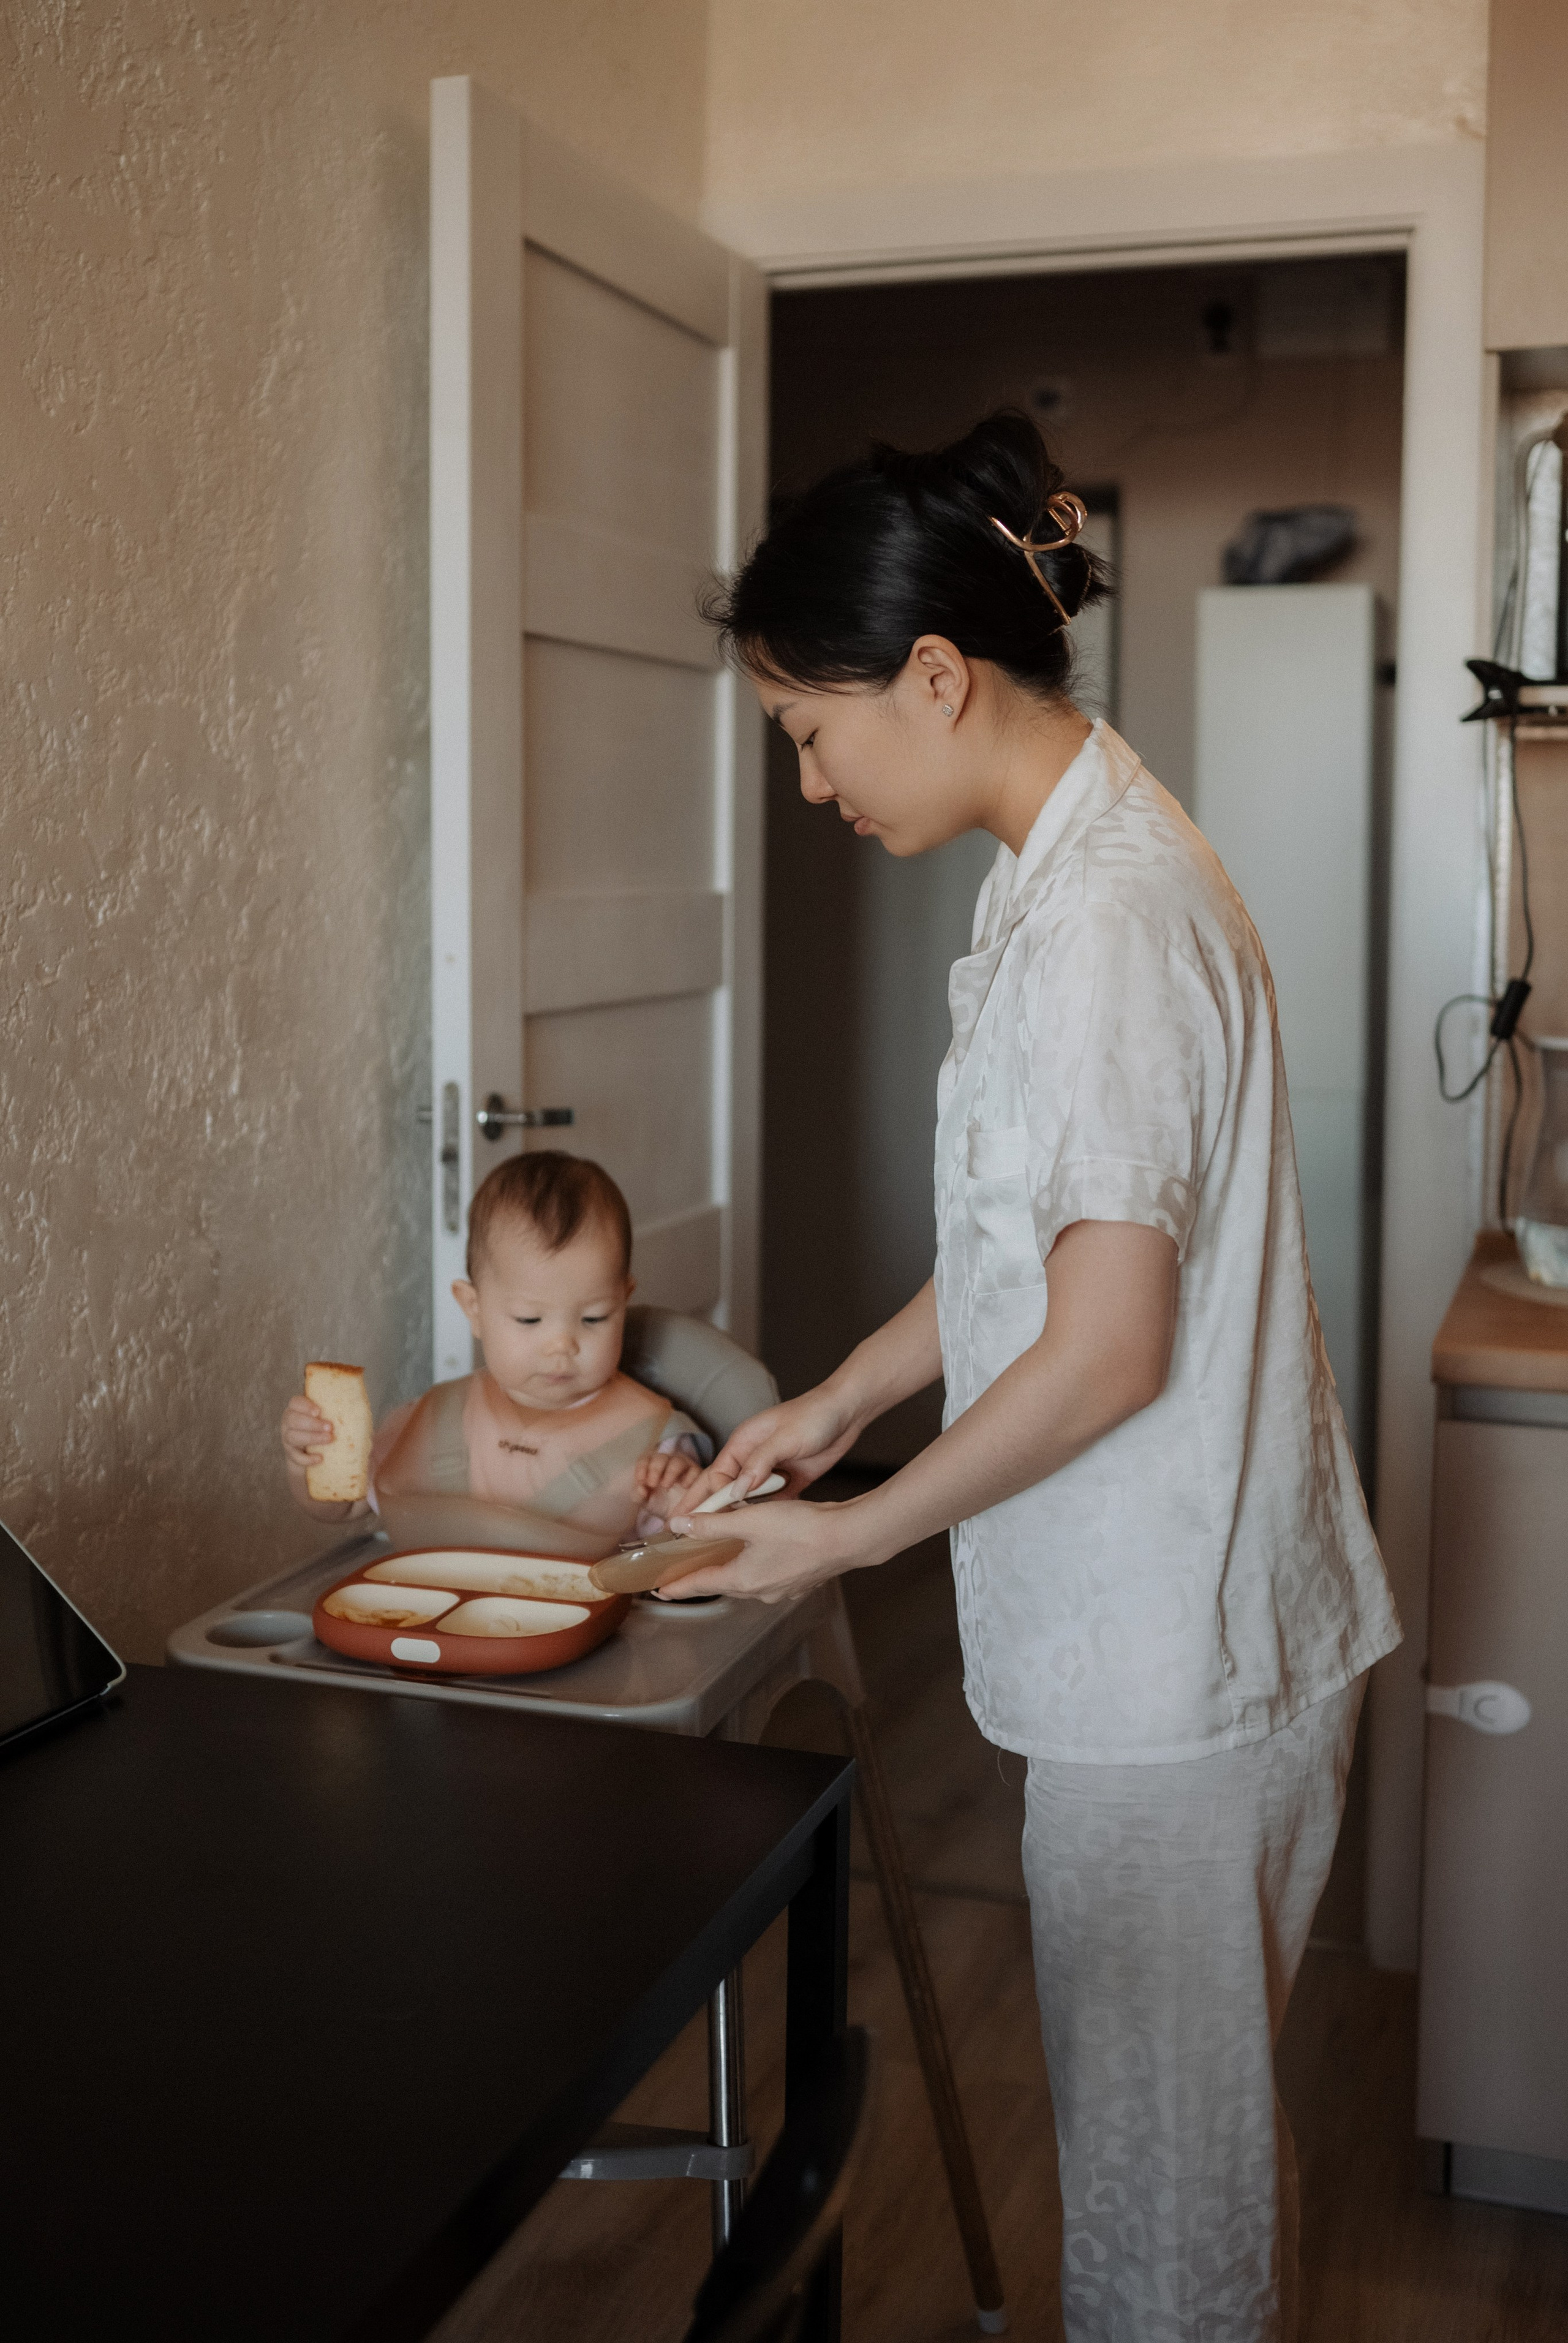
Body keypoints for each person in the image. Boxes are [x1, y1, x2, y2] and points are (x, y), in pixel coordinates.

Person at [665, 412, 1402, 2342]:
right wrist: (833, 1399)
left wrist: (842, 1540)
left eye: (811, 733)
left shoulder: (1104, 920)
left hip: (1178, 1667)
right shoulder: (1061, 876)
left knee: (1167, 2235)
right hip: (1176, 1641)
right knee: (1190, 2167)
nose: (809, 783)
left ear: (933, 673)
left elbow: (1103, 1345)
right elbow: (1027, 1253)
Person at [281, 1151, 704, 1545]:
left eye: (594, 1318)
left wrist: (680, 1506)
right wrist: (308, 1460)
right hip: (434, 1622)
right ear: (475, 1308)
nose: (562, 1345)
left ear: (624, 1300)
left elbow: (689, 1559)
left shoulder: (656, 1444)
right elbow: (345, 1505)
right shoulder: (435, 1418)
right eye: (529, 1320)